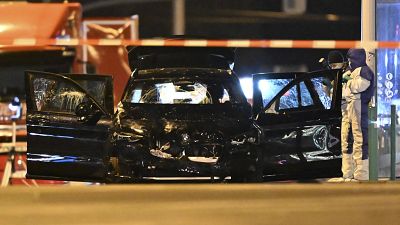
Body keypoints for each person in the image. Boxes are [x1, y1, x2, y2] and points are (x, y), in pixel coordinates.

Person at [330, 48, 374, 182]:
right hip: (349, 107)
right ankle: (347, 173)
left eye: (351, 59)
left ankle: (361, 173)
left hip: (359, 106)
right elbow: (342, 93)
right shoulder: (350, 71)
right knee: (346, 140)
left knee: (359, 140)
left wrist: (347, 82)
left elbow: (359, 86)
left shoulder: (364, 71)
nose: (349, 62)